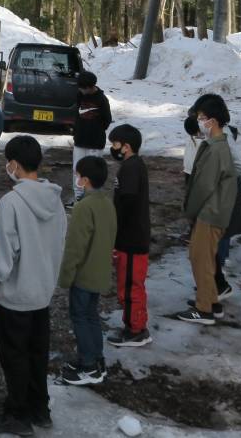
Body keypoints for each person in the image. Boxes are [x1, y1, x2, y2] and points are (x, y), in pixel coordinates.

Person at [0, 136, 67, 435]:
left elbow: (4, 252)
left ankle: (17, 413)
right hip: (42, 293)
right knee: (37, 354)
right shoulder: (55, 199)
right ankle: (40, 409)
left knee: (14, 356)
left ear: (15, 164)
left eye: (8, 162)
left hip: (15, 296)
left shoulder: (12, 202)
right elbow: (60, 242)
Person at [173, 93, 237, 326]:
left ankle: (204, 309)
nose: (198, 122)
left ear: (213, 121)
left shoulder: (216, 149)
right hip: (214, 211)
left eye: (201, 118)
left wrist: (190, 210)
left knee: (200, 258)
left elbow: (204, 186)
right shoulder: (216, 145)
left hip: (210, 213)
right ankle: (210, 301)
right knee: (206, 258)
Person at [57, 156, 116, 386]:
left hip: (84, 274)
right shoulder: (106, 202)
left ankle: (89, 366)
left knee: (80, 317)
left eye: (78, 175)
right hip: (100, 271)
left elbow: (75, 247)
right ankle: (95, 358)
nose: (76, 178)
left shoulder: (83, 207)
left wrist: (66, 275)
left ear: (86, 180)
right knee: (91, 316)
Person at [107, 124, 152, 347]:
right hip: (129, 237)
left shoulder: (131, 168)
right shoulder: (131, 165)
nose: (113, 148)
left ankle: (136, 330)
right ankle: (132, 325)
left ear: (126, 146)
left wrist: (116, 228)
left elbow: (128, 201)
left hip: (132, 239)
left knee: (131, 286)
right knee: (127, 284)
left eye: (115, 144)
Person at [71, 70, 112, 203]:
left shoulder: (101, 99)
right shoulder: (79, 95)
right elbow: (76, 114)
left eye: (82, 88)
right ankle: (78, 197)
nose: (80, 90)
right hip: (80, 140)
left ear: (90, 87)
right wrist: (77, 130)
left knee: (93, 170)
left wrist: (95, 130)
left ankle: (92, 197)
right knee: (77, 168)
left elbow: (107, 120)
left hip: (95, 142)